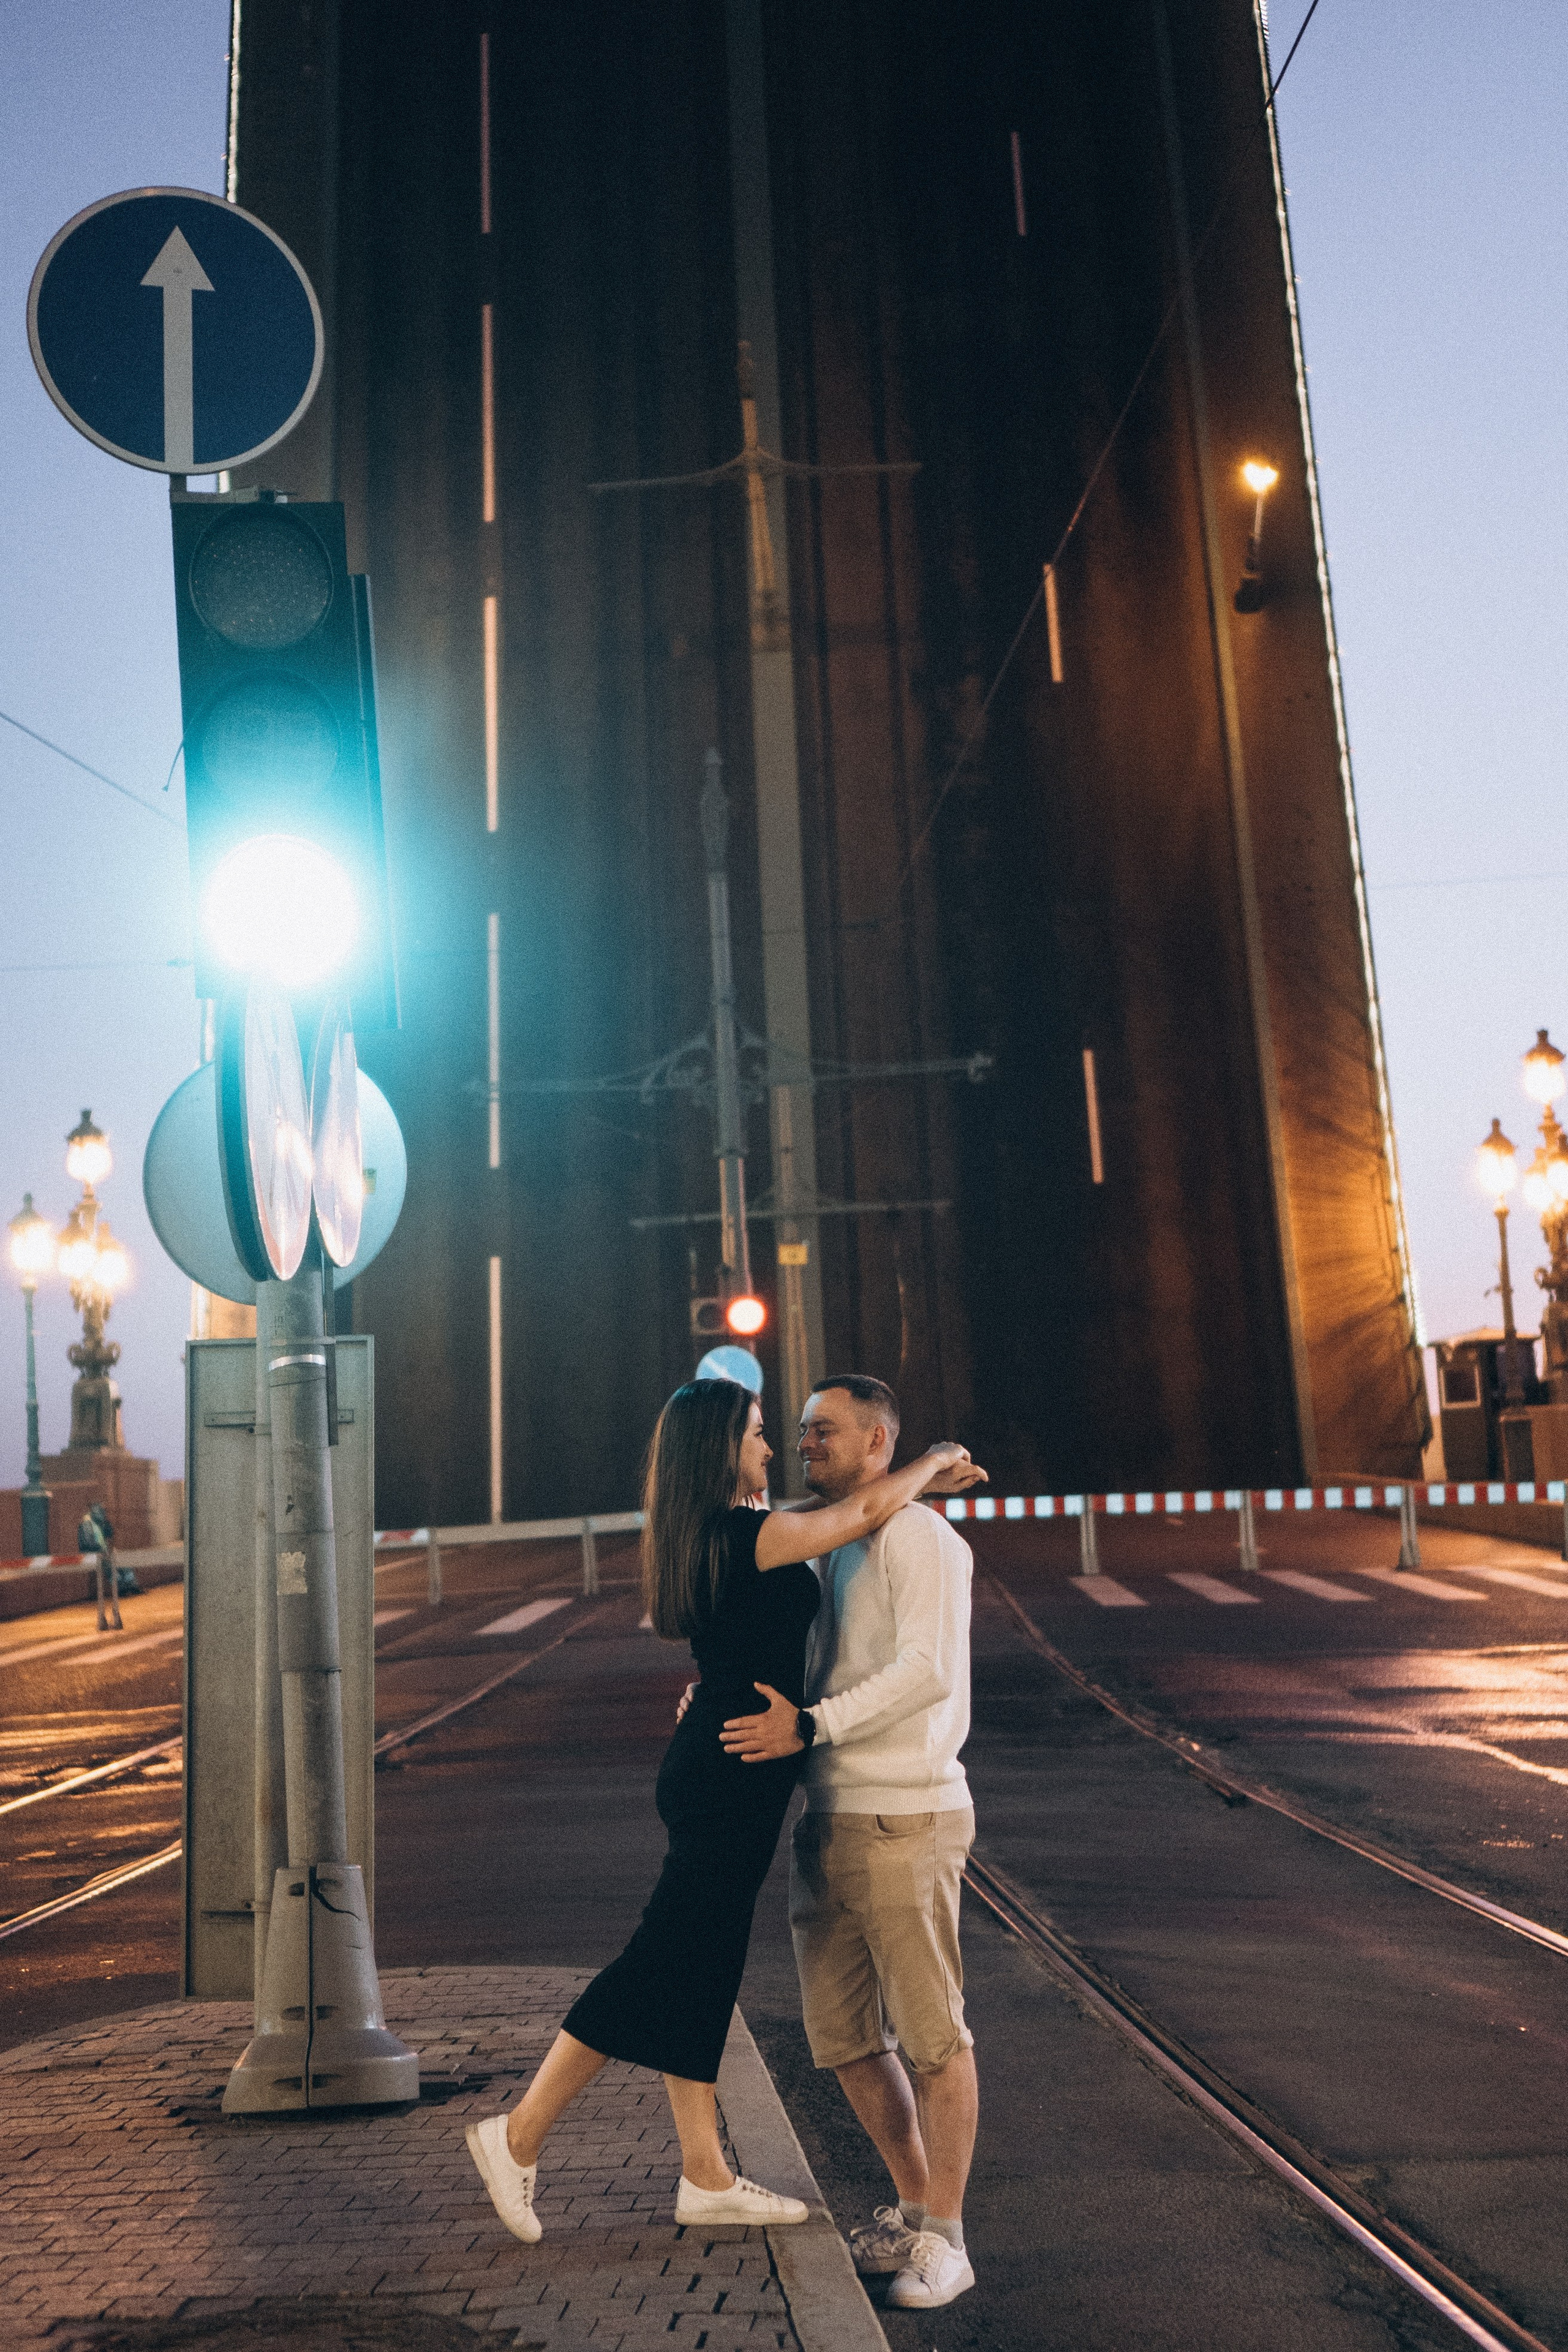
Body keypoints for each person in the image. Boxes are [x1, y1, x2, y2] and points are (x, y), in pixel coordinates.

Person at [466, 1375, 982, 2245]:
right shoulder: (751, 1532)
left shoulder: (706, 1532)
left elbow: (759, 1639)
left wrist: (715, 1698)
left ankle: (705, 2173)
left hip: (724, 1763)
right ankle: (516, 2136)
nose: (774, 1447)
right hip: (733, 1774)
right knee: (659, 1962)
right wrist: (932, 1460)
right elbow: (856, 1520)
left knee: (700, 1966)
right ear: (719, 1449)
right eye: (756, 1433)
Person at [719, 1374, 979, 2311]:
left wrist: (814, 1727)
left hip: (906, 1813)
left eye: (822, 1432)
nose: (803, 1446)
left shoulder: (923, 1539)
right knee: (842, 2041)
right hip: (826, 1816)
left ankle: (946, 2240)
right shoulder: (828, 1548)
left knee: (935, 2038)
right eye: (795, 1433)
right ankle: (913, 2206)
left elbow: (926, 1673)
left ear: (878, 1442)